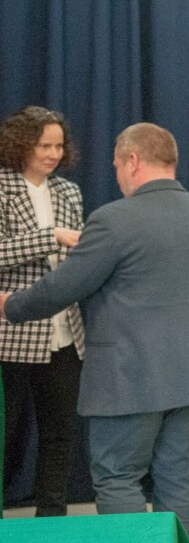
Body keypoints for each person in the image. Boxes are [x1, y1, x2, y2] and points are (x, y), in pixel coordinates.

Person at [1, 123, 189, 539]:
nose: (117, 175)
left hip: (129, 378)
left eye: (116, 165)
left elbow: (63, 288)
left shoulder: (113, 221)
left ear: (132, 160)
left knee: (118, 476)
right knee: (181, 478)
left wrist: (9, 305)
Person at [0, 106, 85, 517]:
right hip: (11, 334)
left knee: (59, 434)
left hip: (64, 332)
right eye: (44, 146)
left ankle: (52, 518)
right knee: (6, 433)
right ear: (21, 144)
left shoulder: (69, 192)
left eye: (58, 146)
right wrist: (50, 236)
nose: (53, 154)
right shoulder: (2, 188)